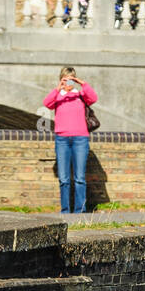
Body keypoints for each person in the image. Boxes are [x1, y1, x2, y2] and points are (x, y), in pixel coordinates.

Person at [43, 66, 97, 214]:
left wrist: (82, 83)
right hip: (62, 140)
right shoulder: (57, 96)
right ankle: (65, 211)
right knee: (64, 179)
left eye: (71, 79)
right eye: (65, 79)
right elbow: (46, 103)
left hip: (80, 139)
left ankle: (80, 211)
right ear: (61, 79)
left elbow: (93, 98)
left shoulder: (80, 95)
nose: (68, 82)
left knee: (80, 178)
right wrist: (57, 88)